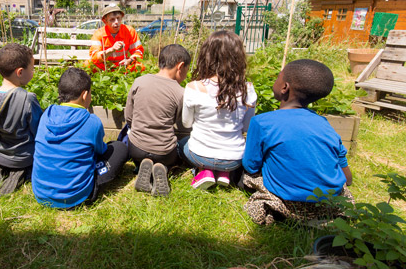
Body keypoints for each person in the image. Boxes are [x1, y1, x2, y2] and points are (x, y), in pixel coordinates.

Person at [241, 59, 353, 225]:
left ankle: (280, 212)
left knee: (245, 176)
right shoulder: (324, 123)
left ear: (284, 87)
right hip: (328, 204)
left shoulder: (262, 122)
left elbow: (251, 165)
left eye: (278, 77)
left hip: (289, 202)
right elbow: (347, 178)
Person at [32, 67, 128, 208]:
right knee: (119, 148)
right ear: (84, 95)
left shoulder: (46, 114)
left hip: (41, 194)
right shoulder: (91, 121)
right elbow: (100, 151)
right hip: (76, 196)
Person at [179, 30, 257, 190]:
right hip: (234, 159)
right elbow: (247, 127)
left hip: (199, 154)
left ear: (206, 55)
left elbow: (186, 123)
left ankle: (203, 170)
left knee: (181, 144)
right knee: (224, 157)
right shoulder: (248, 89)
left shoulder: (194, 87)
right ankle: (224, 174)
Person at [125, 44, 191, 197]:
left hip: (136, 149)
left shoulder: (139, 81)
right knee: (176, 152)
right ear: (180, 66)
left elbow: (129, 117)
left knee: (139, 147)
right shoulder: (180, 92)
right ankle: (163, 169)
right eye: (187, 71)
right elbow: (179, 122)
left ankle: (142, 166)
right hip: (164, 152)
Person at [0, 43, 42, 195]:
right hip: (22, 157)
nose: (33, 72)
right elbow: (38, 131)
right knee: (23, 166)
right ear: (20, 72)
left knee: (1, 162)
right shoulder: (27, 99)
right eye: (32, 69)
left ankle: (0, 168)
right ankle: (20, 173)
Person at [88, 4, 144, 71]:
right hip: (104, 66)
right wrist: (111, 50)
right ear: (105, 21)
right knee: (87, 64)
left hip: (124, 65)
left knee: (140, 66)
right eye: (112, 19)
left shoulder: (130, 31)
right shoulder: (99, 34)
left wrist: (130, 60)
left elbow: (138, 51)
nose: (116, 22)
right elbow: (95, 56)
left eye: (118, 18)